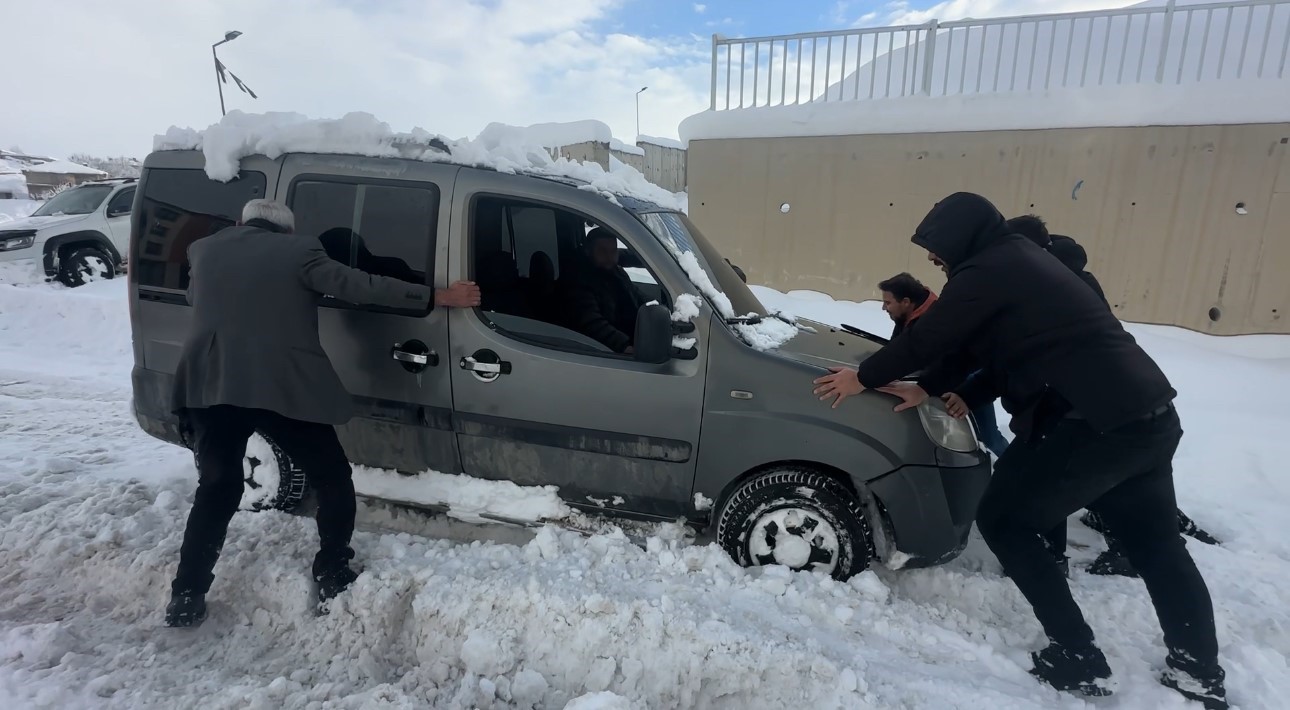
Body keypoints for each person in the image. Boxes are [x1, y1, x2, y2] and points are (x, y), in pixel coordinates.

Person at [812, 193, 1226, 708]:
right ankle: (1198, 671)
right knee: (1157, 545)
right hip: (1147, 415)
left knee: (1005, 521)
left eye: (936, 250)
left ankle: (1077, 655)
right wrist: (928, 387)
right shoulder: (1023, 262)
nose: (934, 260)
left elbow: (930, 338)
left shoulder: (990, 267)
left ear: (960, 237)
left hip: (1089, 423)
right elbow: (981, 350)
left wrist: (864, 378)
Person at [165, 199, 481, 628]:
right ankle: (332, 569)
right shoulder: (300, 252)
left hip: (211, 386)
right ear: (288, 232)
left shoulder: (205, 250)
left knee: (217, 488)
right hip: (280, 387)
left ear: (242, 222)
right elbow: (361, 286)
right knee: (331, 478)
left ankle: (186, 594)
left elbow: (197, 298)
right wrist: (438, 296)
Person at [1005, 214, 1220, 578]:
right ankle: (1118, 544)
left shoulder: (1058, 283)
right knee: (1091, 477)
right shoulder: (1067, 275)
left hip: (1090, 401)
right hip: (1098, 399)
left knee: (1071, 475)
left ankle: (1081, 553)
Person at [879, 272, 1009, 459]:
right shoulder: (906, 316)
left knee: (989, 437)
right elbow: (897, 350)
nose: (883, 307)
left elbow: (951, 362)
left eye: (888, 302)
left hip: (968, 383)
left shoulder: (935, 322)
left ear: (906, 302)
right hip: (939, 382)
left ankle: (1012, 469)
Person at [568, 228, 646, 354]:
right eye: (602, 251)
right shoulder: (580, 282)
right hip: (610, 353)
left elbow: (637, 296)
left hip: (637, 337)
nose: (609, 257)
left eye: (613, 251)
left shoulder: (616, 272)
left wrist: (657, 310)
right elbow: (592, 323)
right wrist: (625, 347)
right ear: (588, 251)